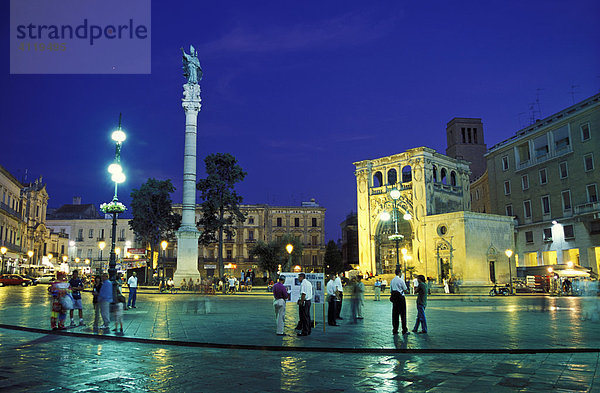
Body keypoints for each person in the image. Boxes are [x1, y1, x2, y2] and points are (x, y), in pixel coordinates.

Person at [390, 269, 409, 335]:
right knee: (403, 314)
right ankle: (404, 329)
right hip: (401, 298)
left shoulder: (392, 281)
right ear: (399, 273)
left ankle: (395, 329)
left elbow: (391, 290)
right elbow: (405, 289)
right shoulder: (401, 280)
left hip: (394, 299)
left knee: (395, 315)